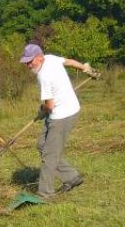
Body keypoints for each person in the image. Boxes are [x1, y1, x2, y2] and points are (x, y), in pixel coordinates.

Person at [19, 43, 99, 199]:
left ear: (39, 57)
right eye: (26, 62)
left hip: (62, 116)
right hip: (68, 109)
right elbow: (69, 61)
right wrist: (84, 67)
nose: (28, 65)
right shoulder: (50, 58)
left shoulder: (43, 76)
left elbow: (50, 105)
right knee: (42, 145)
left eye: (30, 61)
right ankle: (71, 177)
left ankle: (45, 194)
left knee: (49, 155)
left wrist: (43, 109)